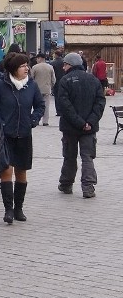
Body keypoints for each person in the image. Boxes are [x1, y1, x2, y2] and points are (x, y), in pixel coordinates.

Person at [0, 52, 45, 224]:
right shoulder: (0, 85)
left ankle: (19, 208)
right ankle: (8, 210)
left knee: (21, 172)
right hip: (6, 136)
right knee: (6, 171)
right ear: (13, 69)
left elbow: (40, 105)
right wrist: (0, 123)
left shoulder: (31, 85)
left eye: (27, 65)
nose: (27, 68)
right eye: (23, 66)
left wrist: (34, 119)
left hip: (24, 135)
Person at [57, 52, 106, 198]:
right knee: (87, 157)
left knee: (69, 156)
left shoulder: (65, 80)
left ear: (70, 65)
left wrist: (79, 122)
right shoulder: (94, 80)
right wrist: (90, 122)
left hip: (70, 127)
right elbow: (100, 103)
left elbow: (65, 106)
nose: (63, 67)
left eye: (64, 64)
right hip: (89, 129)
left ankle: (66, 184)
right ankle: (88, 187)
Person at [30, 52, 56, 126]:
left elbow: (31, 78)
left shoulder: (35, 67)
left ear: (39, 58)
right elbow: (53, 79)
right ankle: (45, 121)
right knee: (46, 106)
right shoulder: (50, 67)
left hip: (37, 90)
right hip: (47, 89)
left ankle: (36, 119)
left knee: (36, 105)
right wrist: (50, 86)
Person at [50, 49, 65, 116]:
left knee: (56, 96)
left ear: (56, 55)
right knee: (63, 96)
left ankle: (58, 111)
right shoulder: (64, 62)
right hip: (64, 80)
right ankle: (63, 110)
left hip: (56, 81)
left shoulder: (53, 63)